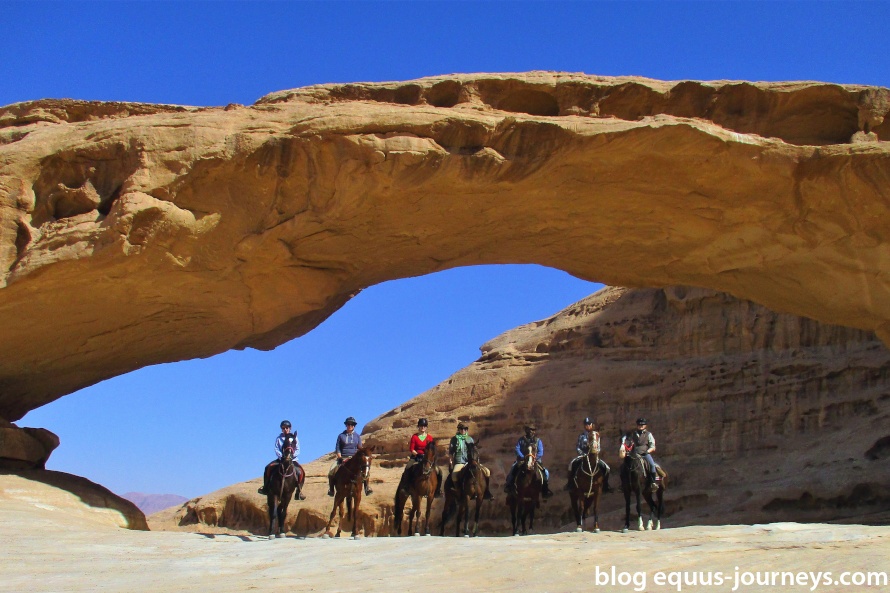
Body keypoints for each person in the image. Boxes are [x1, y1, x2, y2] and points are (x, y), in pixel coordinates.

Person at [563, 417, 613, 493]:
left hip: (593, 457)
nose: (587, 426)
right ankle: (570, 484)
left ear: (592, 425)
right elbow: (578, 447)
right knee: (571, 465)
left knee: (607, 468)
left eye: (589, 424)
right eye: (586, 425)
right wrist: (582, 454)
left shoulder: (596, 436)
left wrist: (595, 452)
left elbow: (598, 447)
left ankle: (605, 485)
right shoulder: (581, 436)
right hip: (583, 456)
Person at [446, 421, 493, 500]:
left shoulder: (470, 439)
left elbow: (474, 451)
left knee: (487, 471)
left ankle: (486, 491)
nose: (463, 430)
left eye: (465, 429)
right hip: (460, 461)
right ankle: (458, 491)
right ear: (459, 429)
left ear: (467, 430)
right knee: (454, 476)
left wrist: (476, 460)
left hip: (471, 461)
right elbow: (451, 451)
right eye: (461, 429)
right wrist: (450, 460)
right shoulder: (454, 439)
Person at [258, 420, 305, 499]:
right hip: (281, 459)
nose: (285, 429)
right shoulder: (279, 438)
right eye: (283, 428)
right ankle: (265, 487)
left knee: (301, 472)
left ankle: (299, 492)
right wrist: (282, 456)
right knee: (268, 468)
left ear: (290, 428)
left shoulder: (294, 437)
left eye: (287, 428)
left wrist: (291, 456)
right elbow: (276, 449)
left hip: (292, 459)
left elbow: (298, 449)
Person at [503, 424, 553, 498]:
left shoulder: (538, 441)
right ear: (526, 430)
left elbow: (540, 452)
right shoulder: (521, 440)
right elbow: (517, 449)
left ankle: (545, 490)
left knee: (545, 472)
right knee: (513, 469)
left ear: (534, 431)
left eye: (532, 430)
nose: (530, 431)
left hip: (535, 460)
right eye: (529, 429)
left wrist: (534, 458)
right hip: (522, 460)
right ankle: (510, 486)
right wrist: (523, 457)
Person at [328, 416, 373, 496]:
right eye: (348, 424)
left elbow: (360, 448)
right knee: (331, 471)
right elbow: (338, 448)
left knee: (365, 470)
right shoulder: (341, 436)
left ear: (354, 426)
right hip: (343, 457)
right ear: (346, 425)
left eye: (351, 425)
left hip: (354, 458)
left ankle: (367, 487)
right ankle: (331, 489)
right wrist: (340, 457)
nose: (350, 426)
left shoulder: (357, 436)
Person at [400, 418, 443, 498]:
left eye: (424, 426)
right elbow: (411, 449)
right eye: (421, 426)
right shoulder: (414, 437)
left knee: (439, 471)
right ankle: (406, 487)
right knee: (408, 468)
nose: (423, 427)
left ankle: (437, 490)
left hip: (427, 459)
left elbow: (432, 449)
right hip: (416, 457)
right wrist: (417, 454)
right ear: (418, 427)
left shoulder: (429, 437)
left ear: (426, 427)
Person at [620, 417, 658, 491]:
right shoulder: (633, 434)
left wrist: (648, 451)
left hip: (645, 453)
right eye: (639, 424)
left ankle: (653, 482)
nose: (640, 426)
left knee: (652, 464)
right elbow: (627, 440)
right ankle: (623, 484)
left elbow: (652, 445)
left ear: (645, 425)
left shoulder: (648, 434)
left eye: (642, 424)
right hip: (634, 454)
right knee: (623, 466)